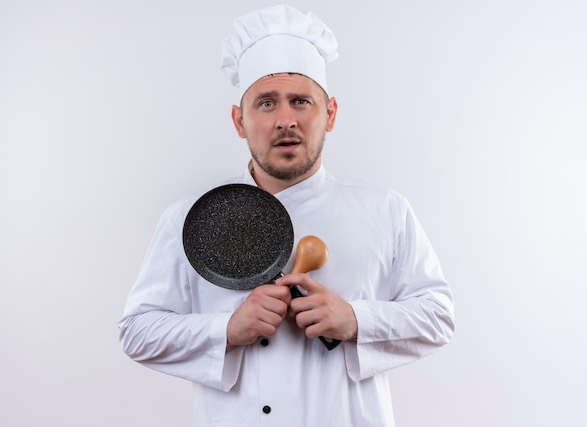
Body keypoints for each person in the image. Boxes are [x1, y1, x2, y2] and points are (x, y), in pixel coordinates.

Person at [118, 4, 455, 426]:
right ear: (239, 120)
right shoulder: (189, 218)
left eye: (301, 101)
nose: (285, 120)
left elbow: (438, 315)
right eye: (265, 103)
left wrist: (356, 319)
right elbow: (137, 331)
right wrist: (225, 330)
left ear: (329, 114)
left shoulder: (385, 211)